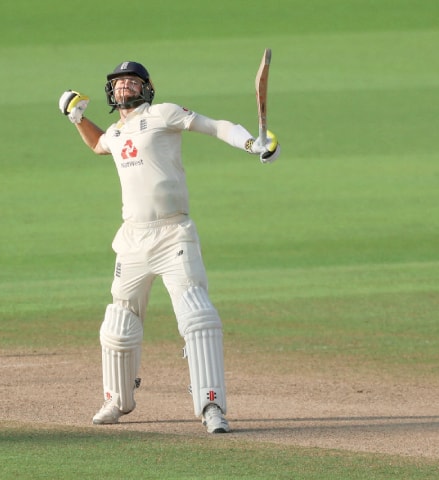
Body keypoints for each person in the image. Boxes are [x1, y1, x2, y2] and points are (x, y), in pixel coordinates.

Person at [58, 61, 279, 433]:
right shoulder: (114, 131)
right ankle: (117, 399)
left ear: (146, 87)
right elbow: (99, 146)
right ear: (112, 92)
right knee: (119, 322)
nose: (124, 86)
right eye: (119, 83)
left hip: (173, 233)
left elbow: (214, 126)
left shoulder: (163, 114)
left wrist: (250, 142)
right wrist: (77, 117)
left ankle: (211, 407)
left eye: (132, 81)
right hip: (132, 237)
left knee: (198, 317)